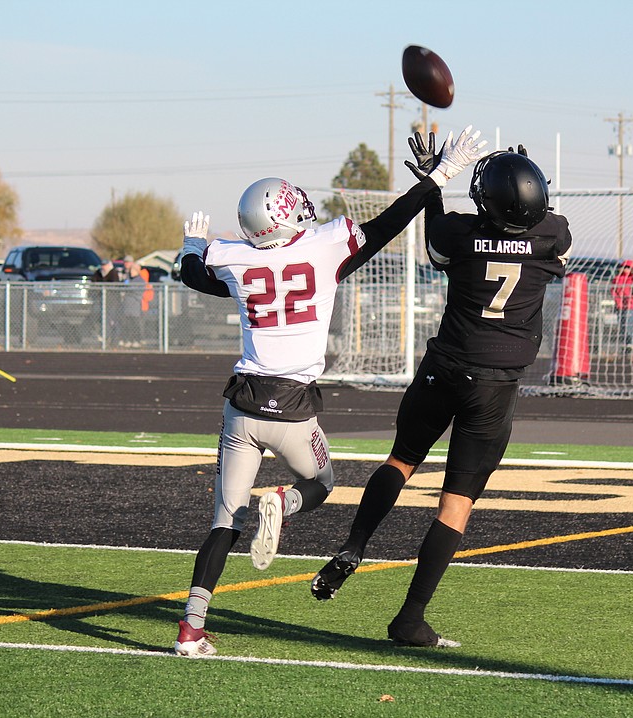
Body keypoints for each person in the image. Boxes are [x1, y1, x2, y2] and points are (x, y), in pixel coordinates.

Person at [172, 127, 488, 657]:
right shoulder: (323, 248)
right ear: (287, 214)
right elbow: (390, 223)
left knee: (225, 521)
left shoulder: (234, 259)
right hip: (293, 409)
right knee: (321, 484)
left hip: (242, 405)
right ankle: (283, 502)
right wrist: (442, 174)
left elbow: (192, 275)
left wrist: (189, 248)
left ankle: (191, 629)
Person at [310, 136, 572, 648]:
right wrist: (523, 179)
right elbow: (542, 223)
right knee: (455, 503)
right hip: (494, 388)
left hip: (444, 368)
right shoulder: (552, 235)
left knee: (401, 460)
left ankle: (355, 545)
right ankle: (409, 618)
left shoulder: (459, 233)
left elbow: (436, 242)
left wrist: (434, 183)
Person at [612, 259, 633, 351]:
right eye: (625, 267)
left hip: (629, 306)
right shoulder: (617, 279)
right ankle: (626, 345)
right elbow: (614, 291)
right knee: (622, 326)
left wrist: (631, 299)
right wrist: (617, 300)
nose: (626, 269)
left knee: (629, 326)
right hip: (620, 306)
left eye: (628, 267)